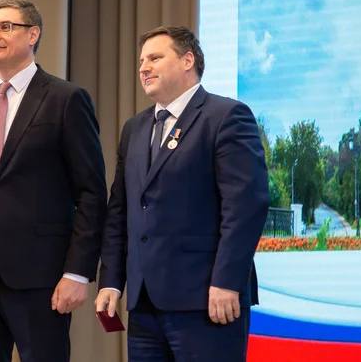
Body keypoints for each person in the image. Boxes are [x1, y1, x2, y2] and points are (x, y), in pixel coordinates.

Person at [0, 0, 107, 362]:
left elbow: (91, 193)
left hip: (40, 275)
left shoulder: (66, 99)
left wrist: (78, 272)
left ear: (33, 35)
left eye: (5, 27)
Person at [95, 26, 269, 361]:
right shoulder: (134, 129)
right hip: (144, 305)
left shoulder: (226, 117)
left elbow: (245, 207)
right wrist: (111, 281)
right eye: (141, 61)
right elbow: (120, 211)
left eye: (155, 58)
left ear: (187, 60)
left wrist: (227, 281)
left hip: (207, 301)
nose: (144, 68)